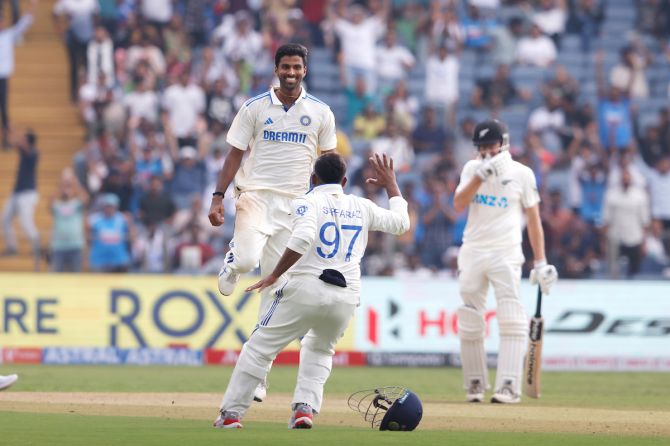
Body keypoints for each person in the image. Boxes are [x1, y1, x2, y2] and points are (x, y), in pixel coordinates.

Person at [213, 152, 410, 429]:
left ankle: (231, 414)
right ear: (343, 181)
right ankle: (304, 410)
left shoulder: (306, 202)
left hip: (306, 287)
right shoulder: (361, 205)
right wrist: (391, 184)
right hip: (346, 295)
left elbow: (303, 237)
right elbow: (401, 224)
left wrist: (274, 275)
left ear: (313, 178)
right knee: (319, 350)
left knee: (259, 349)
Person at [207, 43, 337, 402]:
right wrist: (218, 197)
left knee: (275, 287)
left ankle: (259, 374)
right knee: (249, 261)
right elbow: (234, 153)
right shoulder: (254, 108)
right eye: (285, 67)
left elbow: (329, 163)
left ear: (305, 70)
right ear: (276, 69)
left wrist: (329, 203)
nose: (291, 73)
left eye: (297, 67)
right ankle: (234, 262)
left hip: (296, 205)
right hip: (257, 196)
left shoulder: (321, 113)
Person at [453, 119, 558, 404]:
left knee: (511, 317)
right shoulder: (471, 168)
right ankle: (475, 384)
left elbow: (534, 219)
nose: (487, 151)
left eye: (491, 145)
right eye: (482, 147)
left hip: (506, 253)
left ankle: (509, 387)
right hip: (473, 250)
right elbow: (459, 204)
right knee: (469, 318)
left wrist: (540, 261)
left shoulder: (522, 174)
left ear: (504, 144)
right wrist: (479, 177)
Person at [0, 0, 34, 148]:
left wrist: (33, 6)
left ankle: (6, 139)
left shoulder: (9, 35)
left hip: (3, 76)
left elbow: (25, 23)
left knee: (4, 109)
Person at [2, 129, 40, 260]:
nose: (21, 141)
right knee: (5, 218)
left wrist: (13, 132)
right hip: (17, 191)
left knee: (26, 222)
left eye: (24, 139)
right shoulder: (25, 151)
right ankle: (12, 247)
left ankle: (37, 248)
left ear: (29, 142)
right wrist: (8, 131)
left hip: (28, 193)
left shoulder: (34, 153)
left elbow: (23, 147)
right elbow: (11, 144)